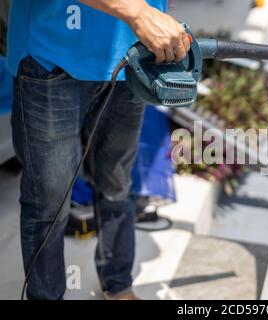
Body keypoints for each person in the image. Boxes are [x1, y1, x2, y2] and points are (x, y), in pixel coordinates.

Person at [6, 0, 190, 300]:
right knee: (49, 202)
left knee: (117, 184)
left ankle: (118, 285)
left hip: (133, 59)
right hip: (51, 54)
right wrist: (140, 12)